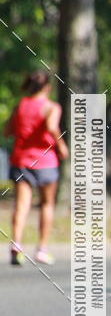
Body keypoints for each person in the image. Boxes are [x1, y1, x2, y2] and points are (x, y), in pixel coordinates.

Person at [4, 69, 68, 265]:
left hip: (21, 160)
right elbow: (50, 126)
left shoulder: (21, 106)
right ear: (47, 88)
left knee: (21, 204)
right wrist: (61, 145)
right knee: (46, 204)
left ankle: (17, 244)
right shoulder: (51, 107)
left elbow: (7, 131)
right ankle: (41, 248)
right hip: (45, 161)